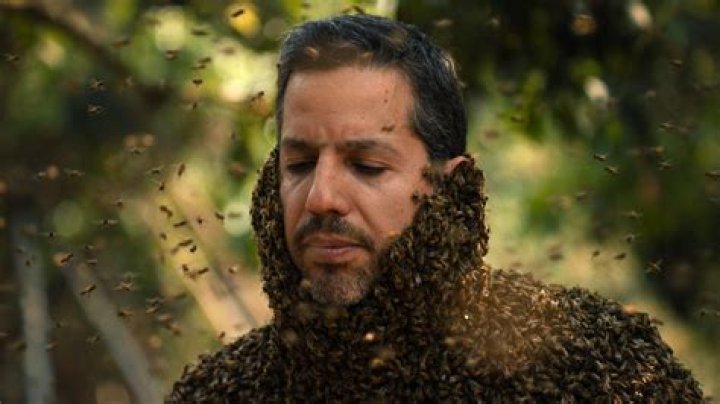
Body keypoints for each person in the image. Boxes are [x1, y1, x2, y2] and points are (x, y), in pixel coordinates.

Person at [169, 14, 704, 401]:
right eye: (300, 164)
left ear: (452, 189)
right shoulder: (213, 394)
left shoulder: (602, 367)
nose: (322, 197)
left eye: (366, 166)